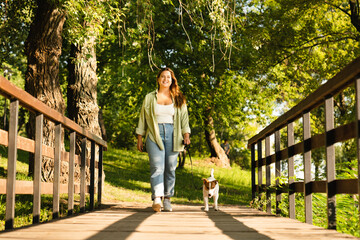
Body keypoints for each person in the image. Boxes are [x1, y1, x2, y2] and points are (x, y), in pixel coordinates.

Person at [136, 67, 191, 212]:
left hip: (174, 134)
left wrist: (186, 135)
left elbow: (184, 119)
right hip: (154, 133)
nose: (165, 79)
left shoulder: (179, 98)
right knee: (157, 166)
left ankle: (167, 198)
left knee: (170, 168)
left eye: (168, 77)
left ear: (172, 80)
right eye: (163, 76)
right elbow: (142, 118)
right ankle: (157, 198)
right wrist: (140, 137)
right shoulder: (149, 97)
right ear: (158, 79)